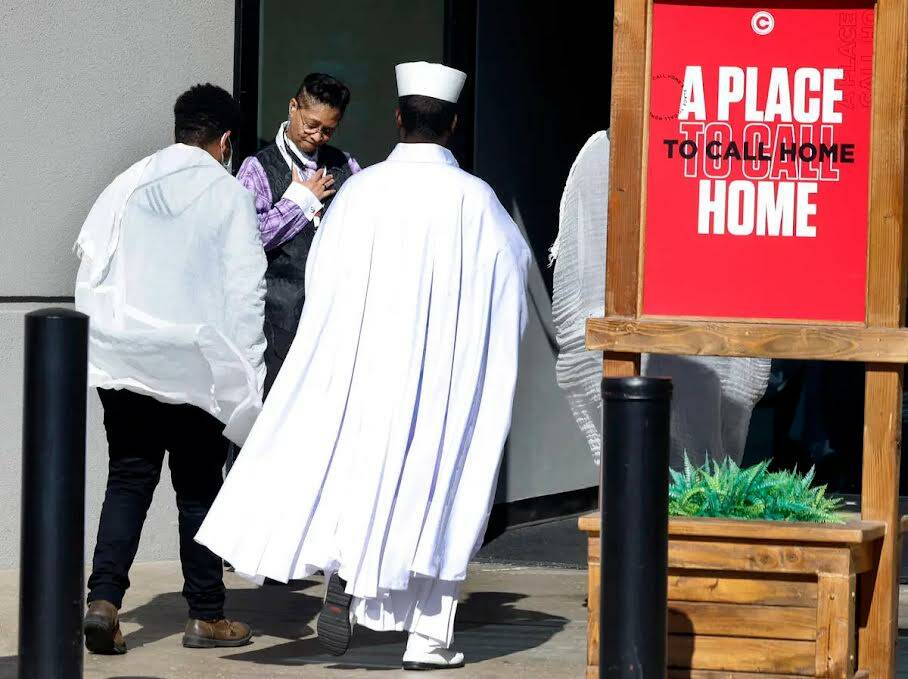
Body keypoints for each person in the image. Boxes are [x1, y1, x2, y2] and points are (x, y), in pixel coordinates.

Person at [196, 62, 530, 671]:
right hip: (437, 378)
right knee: (434, 489)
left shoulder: (362, 189)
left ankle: (348, 572)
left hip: (364, 368)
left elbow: (322, 280)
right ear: (452, 127)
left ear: (398, 118)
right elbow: (509, 291)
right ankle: (428, 638)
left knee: (359, 474)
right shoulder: (477, 202)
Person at [74, 83, 266, 654]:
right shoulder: (227, 194)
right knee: (199, 492)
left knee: (128, 480)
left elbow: (90, 260)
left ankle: (103, 602)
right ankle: (206, 616)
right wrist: (249, 374)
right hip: (194, 364)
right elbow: (245, 292)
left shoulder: (126, 183)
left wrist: (104, 342)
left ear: (180, 127)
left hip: (125, 358)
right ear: (226, 141)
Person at [549, 130, 771, 469]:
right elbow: (586, 275)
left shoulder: (728, 146)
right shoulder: (602, 154)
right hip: (638, 354)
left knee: (696, 469)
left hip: (703, 347)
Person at [237, 72, 361, 395]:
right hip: (277, 325)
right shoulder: (257, 168)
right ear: (293, 107)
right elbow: (248, 239)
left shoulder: (345, 165)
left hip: (334, 319)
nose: (318, 136)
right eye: (311, 125)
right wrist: (301, 201)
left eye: (328, 130)